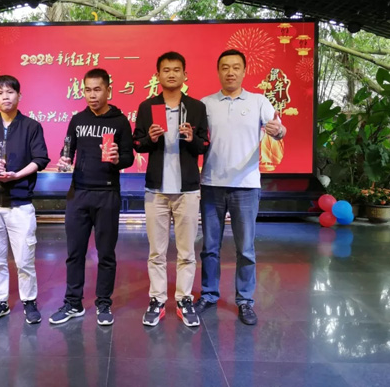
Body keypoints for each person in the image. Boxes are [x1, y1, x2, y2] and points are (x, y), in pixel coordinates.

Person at [196, 49, 287, 325]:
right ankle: (209, 294)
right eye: (225, 67)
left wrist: (278, 131)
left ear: (244, 71)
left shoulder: (259, 101)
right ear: (218, 71)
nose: (230, 72)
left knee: (245, 248)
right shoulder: (206, 103)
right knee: (210, 247)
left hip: (246, 186)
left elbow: (279, 128)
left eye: (236, 67)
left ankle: (245, 300)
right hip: (211, 184)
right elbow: (197, 139)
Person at [49, 68, 134, 326]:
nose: (92, 95)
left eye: (97, 89)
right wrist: (64, 160)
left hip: (107, 193)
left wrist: (118, 159)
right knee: (74, 252)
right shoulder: (77, 120)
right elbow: (68, 151)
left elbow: (129, 158)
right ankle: (73, 303)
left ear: (108, 90)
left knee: (106, 253)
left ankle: (104, 303)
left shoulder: (120, 121)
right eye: (87, 90)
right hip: (78, 193)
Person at [133, 51, 209, 327]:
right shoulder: (147, 107)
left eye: (177, 70)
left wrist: (191, 139)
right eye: (166, 70)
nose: (172, 74)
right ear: (158, 76)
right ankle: (157, 299)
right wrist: (150, 139)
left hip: (187, 190)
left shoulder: (196, 107)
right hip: (156, 190)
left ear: (185, 75)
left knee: (187, 251)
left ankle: (184, 299)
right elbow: (137, 143)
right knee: (157, 251)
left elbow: (203, 146)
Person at [0, 75, 50, 325]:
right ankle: (0, 302)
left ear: (19, 96)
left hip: (20, 202)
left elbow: (40, 159)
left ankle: (29, 301)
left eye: (10, 92)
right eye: (0, 93)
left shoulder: (31, 126)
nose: (5, 96)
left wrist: (17, 175)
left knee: (25, 258)